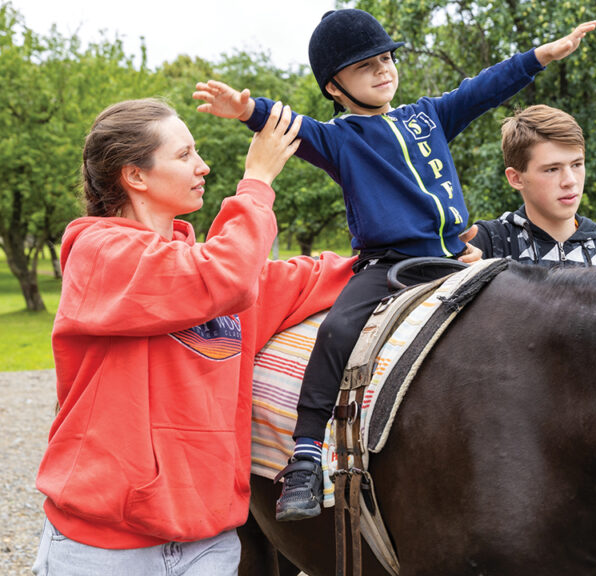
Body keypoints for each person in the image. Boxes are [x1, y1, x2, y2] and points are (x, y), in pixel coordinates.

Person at [193, 9, 596, 521]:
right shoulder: (338, 140)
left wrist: (541, 56)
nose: (384, 69)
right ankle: (304, 456)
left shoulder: (427, 116)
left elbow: (483, 89)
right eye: (366, 66)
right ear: (335, 88)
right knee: (337, 331)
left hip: (456, 260)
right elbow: (285, 123)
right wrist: (248, 109)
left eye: (386, 58)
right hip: (388, 266)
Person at [33, 99, 358, 575]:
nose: (202, 166)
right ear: (136, 176)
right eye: (184, 155)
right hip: (104, 550)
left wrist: (428, 254)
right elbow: (221, 274)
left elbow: (307, 276)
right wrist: (257, 182)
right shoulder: (98, 256)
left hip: (208, 545)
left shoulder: (214, 274)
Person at [471, 104, 596, 269]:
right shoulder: (486, 245)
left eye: (576, 164)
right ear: (516, 178)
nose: (570, 181)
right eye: (552, 169)